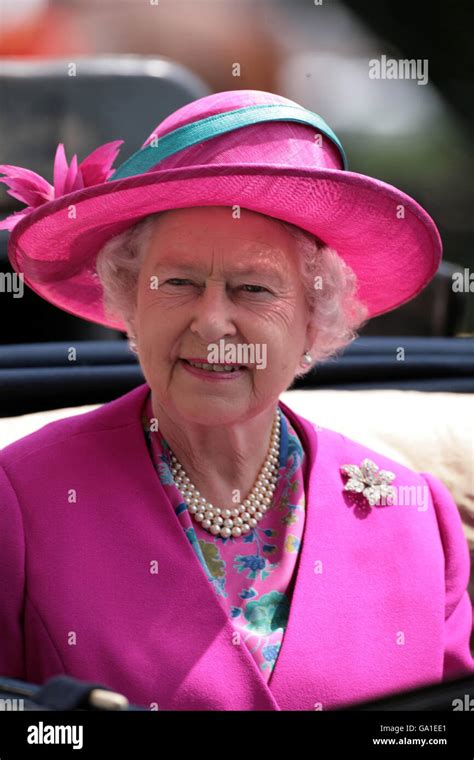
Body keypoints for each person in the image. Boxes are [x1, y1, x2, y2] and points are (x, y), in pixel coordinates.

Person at [0, 89, 472, 711]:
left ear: (314, 319)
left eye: (253, 288)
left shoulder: (417, 517)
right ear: (129, 304)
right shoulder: (22, 496)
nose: (212, 323)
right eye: (178, 283)